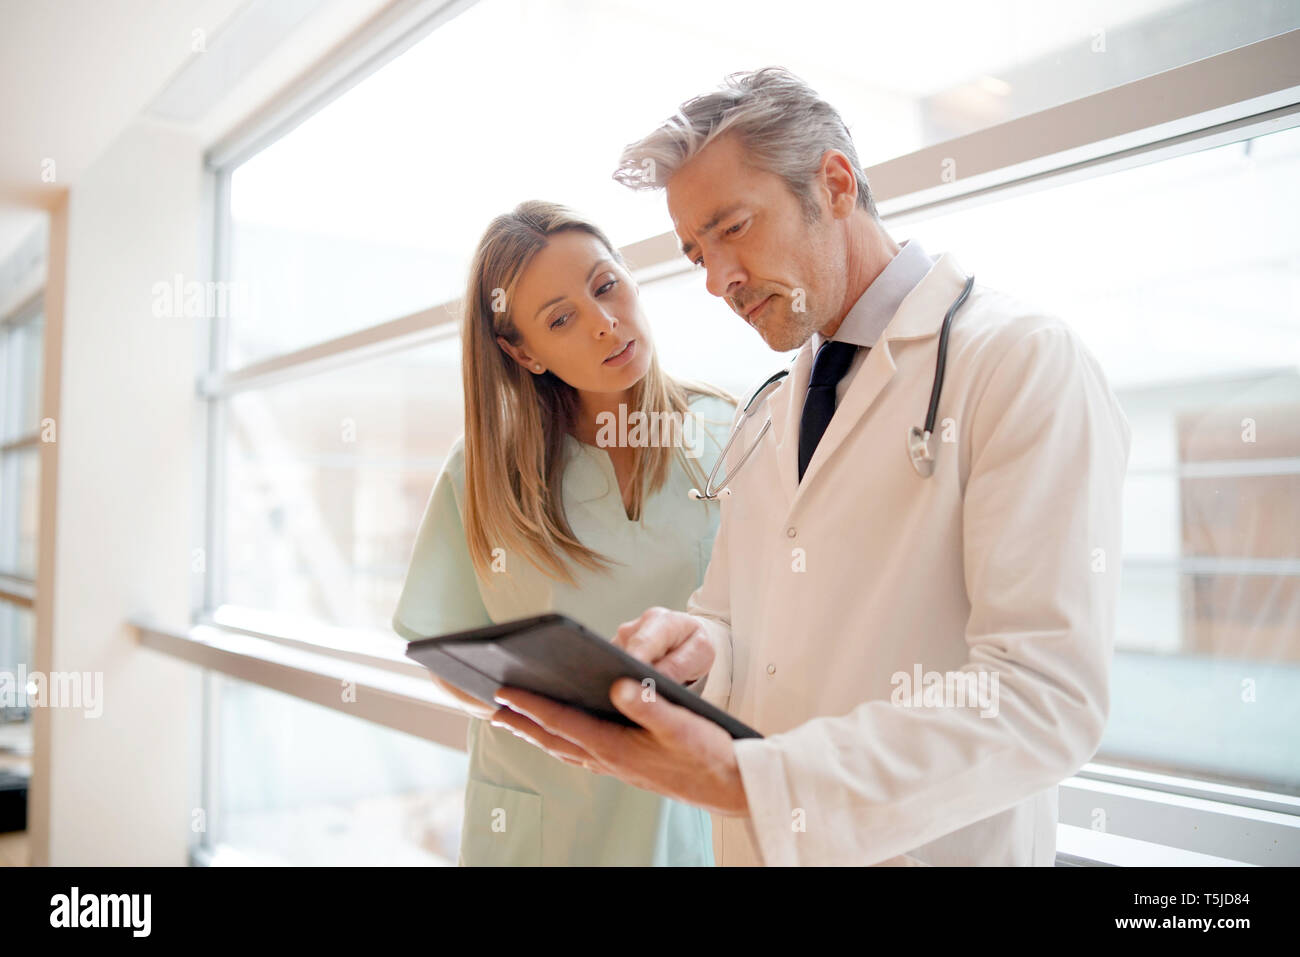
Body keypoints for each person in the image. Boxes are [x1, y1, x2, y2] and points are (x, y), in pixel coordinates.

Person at [491, 68, 1133, 866]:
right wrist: (698, 650)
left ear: (834, 183)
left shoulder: (1019, 362)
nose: (718, 279)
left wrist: (747, 778)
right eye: (697, 252)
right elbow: (738, 623)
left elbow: (1044, 698)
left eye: (734, 227)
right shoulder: (767, 412)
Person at [391, 200, 735, 866]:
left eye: (605, 285)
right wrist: (558, 724)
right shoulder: (484, 474)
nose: (605, 324)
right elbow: (444, 649)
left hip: (689, 797)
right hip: (550, 809)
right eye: (560, 319)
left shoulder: (729, 433)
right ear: (523, 351)